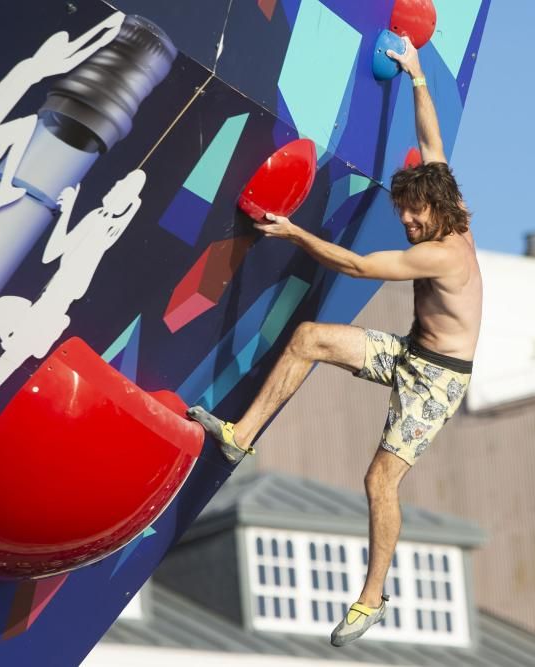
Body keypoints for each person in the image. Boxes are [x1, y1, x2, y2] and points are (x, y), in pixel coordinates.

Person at [187, 36, 483, 646]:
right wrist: (418, 76)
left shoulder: (442, 256)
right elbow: (432, 142)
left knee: (379, 480)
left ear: (433, 212)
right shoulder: (446, 197)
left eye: (411, 217)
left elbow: (356, 268)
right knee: (310, 337)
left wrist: (294, 233)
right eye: (404, 216)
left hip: (438, 381)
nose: (406, 223)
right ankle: (241, 435)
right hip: (410, 351)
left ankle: (372, 600)